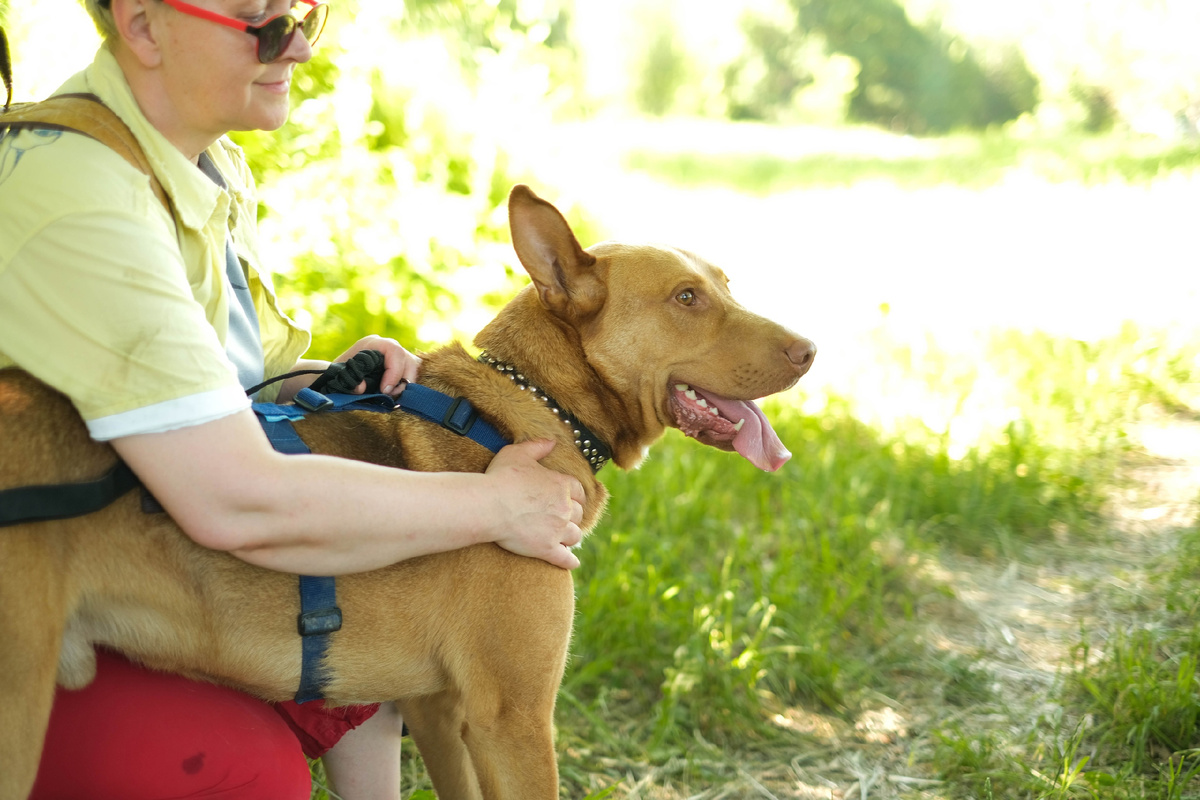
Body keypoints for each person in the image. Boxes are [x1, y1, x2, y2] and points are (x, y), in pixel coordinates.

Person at [0, 0, 587, 797]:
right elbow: (236, 500)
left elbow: (230, 384)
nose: (301, 48)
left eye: (306, 14)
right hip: (39, 557)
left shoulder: (197, 160)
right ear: (142, 26)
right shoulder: (81, 193)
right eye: (264, 22)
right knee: (245, 779)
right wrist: (497, 508)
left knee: (379, 535)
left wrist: (325, 383)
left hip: (122, 539)